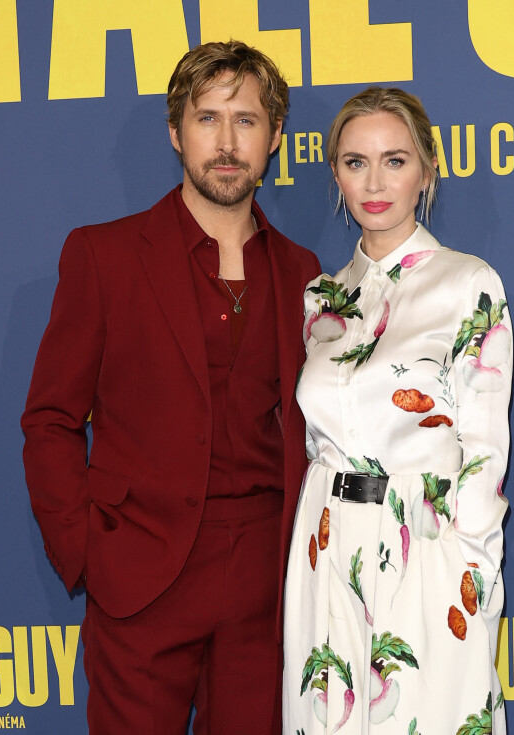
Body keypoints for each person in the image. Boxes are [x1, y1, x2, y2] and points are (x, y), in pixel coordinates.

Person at [21, 40, 320, 735]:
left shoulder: (302, 272)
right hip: (140, 576)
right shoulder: (104, 255)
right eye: (207, 117)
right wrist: (89, 551)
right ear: (175, 132)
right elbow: (51, 419)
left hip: (261, 586)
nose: (225, 141)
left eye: (245, 120)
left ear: (274, 138)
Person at [283, 87, 512, 734]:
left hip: (428, 548)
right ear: (335, 175)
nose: (375, 181)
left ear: (427, 171)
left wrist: (470, 575)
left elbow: (485, 455)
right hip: (325, 549)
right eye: (355, 162)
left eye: (394, 160)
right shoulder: (320, 297)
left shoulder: (469, 285)